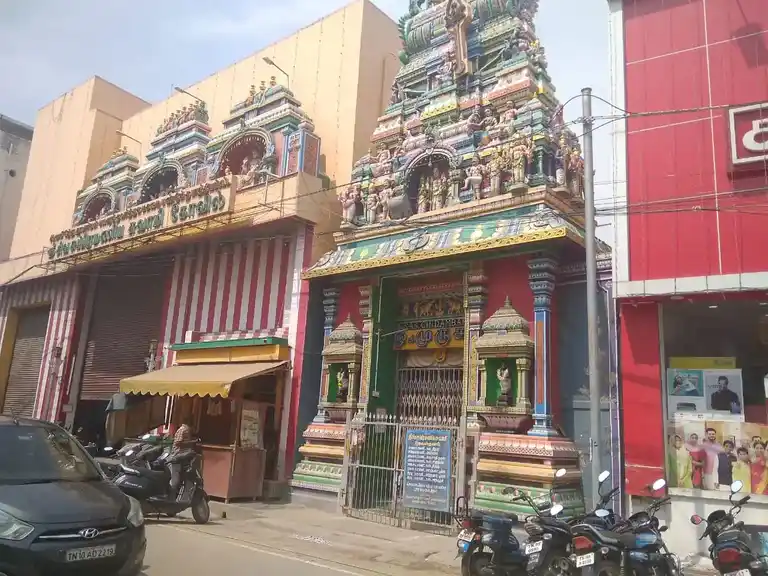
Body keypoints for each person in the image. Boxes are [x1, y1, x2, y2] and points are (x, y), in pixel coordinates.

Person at [169, 419, 194, 497]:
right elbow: (178, 443)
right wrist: (191, 442)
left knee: (180, 477)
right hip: (178, 455)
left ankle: (176, 494)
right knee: (176, 478)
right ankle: (172, 494)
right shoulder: (183, 430)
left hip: (183, 455)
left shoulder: (185, 430)